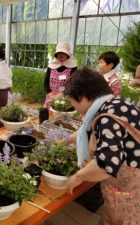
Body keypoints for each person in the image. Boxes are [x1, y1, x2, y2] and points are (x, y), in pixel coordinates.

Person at [65, 67, 140, 225]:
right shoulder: (115, 104)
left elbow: (105, 164)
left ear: (82, 97)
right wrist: (64, 140)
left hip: (130, 193)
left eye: (71, 101)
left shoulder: (108, 117)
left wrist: (77, 177)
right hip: (123, 189)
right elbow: (85, 131)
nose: (73, 106)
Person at [44, 42, 77, 109]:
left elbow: (73, 84)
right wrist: (50, 93)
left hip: (64, 99)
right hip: (51, 98)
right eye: (59, 53)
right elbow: (46, 82)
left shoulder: (73, 67)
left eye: (63, 53)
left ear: (68, 54)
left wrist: (62, 94)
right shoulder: (51, 66)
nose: (60, 55)